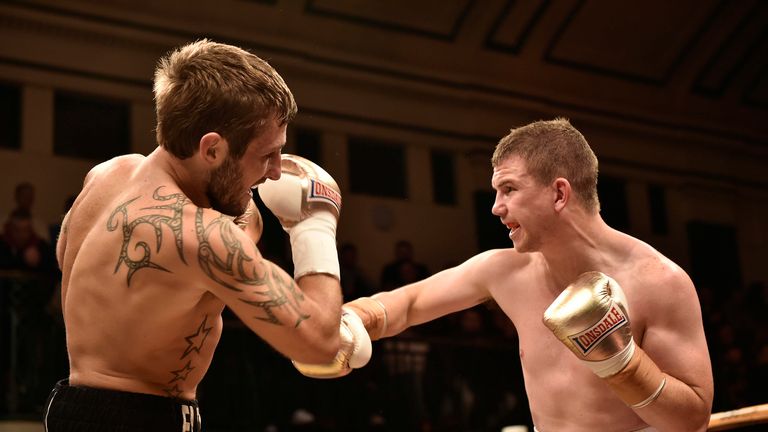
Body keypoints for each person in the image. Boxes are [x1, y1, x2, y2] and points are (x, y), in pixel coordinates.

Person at [43, 39, 370, 432]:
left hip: (74, 406)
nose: (275, 171)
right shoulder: (202, 236)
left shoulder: (106, 176)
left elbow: (69, 261)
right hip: (141, 418)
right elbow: (318, 343)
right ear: (211, 149)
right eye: (266, 154)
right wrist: (313, 226)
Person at [310, 118, 714, 431]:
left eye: (509, 189)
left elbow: (692, 419)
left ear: (559, 193)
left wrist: (624, 365)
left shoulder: (658, 281)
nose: (496, 208)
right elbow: (410, 302)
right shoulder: (505, 269)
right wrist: (349, 324)